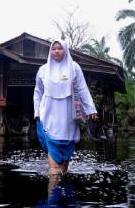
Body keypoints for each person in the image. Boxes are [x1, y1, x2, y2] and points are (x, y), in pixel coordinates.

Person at [33, 39, 98, 175]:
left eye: (60, 48)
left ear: (66, 50)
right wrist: (37, 113)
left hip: (69, 114)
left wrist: (90, 109)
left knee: (65, 162)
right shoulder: (42, 70)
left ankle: (62, 186)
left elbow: (82, 89)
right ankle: (53, 189)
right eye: (54, 48)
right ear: (50, 51)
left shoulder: (74, 67)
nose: (56, 51)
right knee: (54, 170)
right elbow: (38, 92)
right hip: (49, 113)